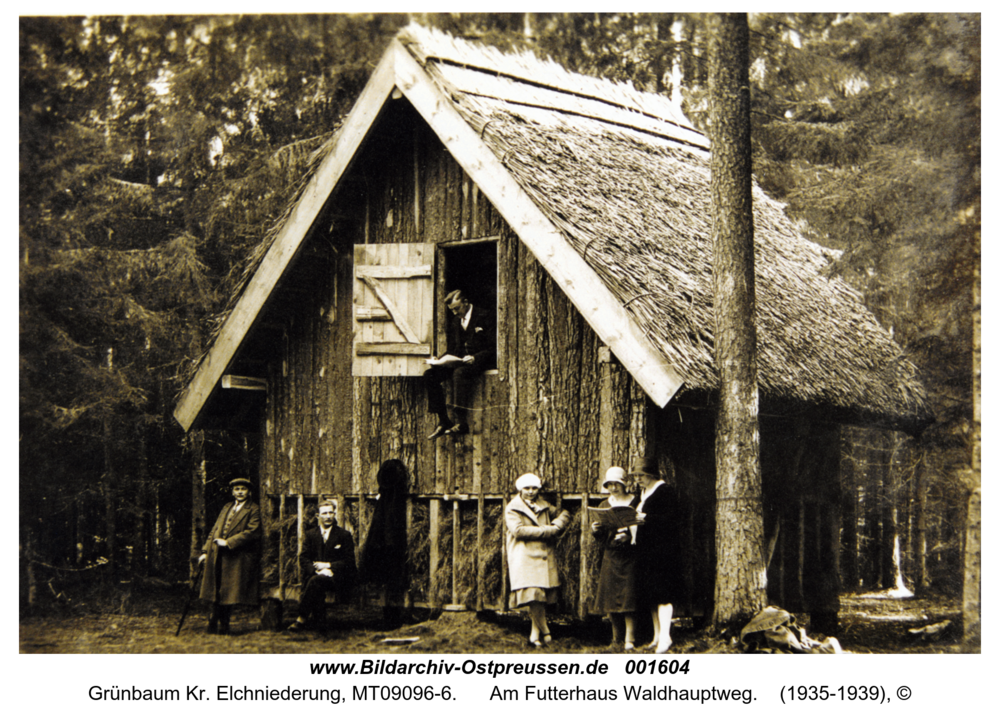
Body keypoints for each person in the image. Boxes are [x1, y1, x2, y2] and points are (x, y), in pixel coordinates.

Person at [504, 473, 572, 648]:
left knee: (540, 596)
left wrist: (557, 525)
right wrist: (548, 531)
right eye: (527, 488)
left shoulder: (544, 505)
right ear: (520, 489)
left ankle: (535, 634)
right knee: (533, 594)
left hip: (543, 555)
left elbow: (564, 513)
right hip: (524, 555)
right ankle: (546, 631)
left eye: (534, 488)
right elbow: (518, 531)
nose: (530, 492)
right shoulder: (512, 508)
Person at [424, 289, 496, 439]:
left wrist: (476, 358)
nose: (455, 312)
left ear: (466, 302)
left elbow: (493, 347)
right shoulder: (456, 321)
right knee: (430, 375)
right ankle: (444, 421)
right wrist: (440, 359)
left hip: (479, 362)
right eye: (452, 310)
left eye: (457, 308)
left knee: (459, 373)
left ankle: (461, 422)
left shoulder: (485, 316)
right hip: (460, 361)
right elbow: (453, 349)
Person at [630, 455, 681, 653]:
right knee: (652, 594)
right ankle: (657, 636)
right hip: (646, 550)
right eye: (636, 476)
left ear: (651, 474)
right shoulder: (642, 493)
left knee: (663, 594)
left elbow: (672, 519)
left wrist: (647, 518)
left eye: (641, 475)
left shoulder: (664, 491)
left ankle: (666, 637)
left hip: (663, 551)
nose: (638, 479)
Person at [198, 477, 261, 635]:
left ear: (249, 492)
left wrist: (229, 542)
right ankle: (213, 620)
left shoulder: (253, 509)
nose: (240, 492)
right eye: (237, 489)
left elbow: (252, 532)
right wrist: (205, 551)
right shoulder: (227, 507)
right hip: (216, 554)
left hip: (235, 556)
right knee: (215, 588)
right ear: (232, 492)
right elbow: (215, 529)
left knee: (228, 590)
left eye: (243, 489)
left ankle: (224, 623)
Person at [287, 498, 357, 632]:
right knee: (316, 582)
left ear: (335, 514)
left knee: (315, 582)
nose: (328, 516)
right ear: (318, 516)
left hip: (337, 578)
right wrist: (315, 570)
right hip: (317, 576)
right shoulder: (311, 534)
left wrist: (328, 566)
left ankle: (302, 618)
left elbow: (349, 561)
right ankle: (320, 622)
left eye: (331, 513)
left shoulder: (344, 535)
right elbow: (304, 557)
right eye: (324, 513)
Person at [590, 466, 639, 650]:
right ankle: (616, 638)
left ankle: (630, 640)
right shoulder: (604, 505)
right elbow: (600, 536)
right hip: (611, 554)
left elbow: (643, 526)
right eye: (609, 485)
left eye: (616, 484)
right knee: (611, 597)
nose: (613, 488)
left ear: (624, 484)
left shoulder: (635, 502)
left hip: (631, 556)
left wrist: (630, 536)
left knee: (629, 597)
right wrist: (596, 530)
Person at [359, 459, 409, 627]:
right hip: (389, 545)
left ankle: (392, 614)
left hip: (384, 543)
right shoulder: (394, 498)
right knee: (393, 577)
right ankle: (391, 615)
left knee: (390, 579)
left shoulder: (387, 497)